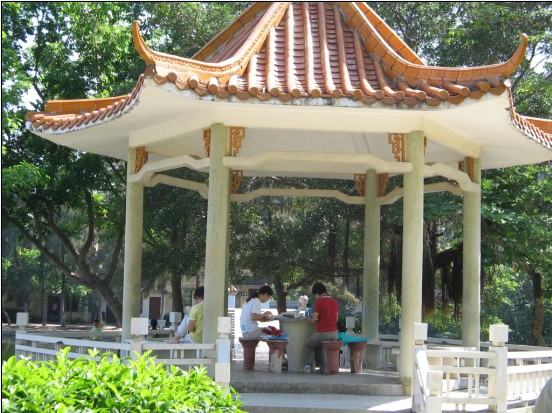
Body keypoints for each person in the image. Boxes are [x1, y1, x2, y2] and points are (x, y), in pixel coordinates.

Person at [304, 282, 339, 374]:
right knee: (320, 345)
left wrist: (307, 318)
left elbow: (313, 319)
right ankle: (324, 368)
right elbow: (336, 319)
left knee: (309, 345)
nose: (316, 297)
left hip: (322, 332)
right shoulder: (335, 301)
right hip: (334, 333)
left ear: (317, 293)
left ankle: (308, 367)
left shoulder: (319, 302)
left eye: (315, 295)